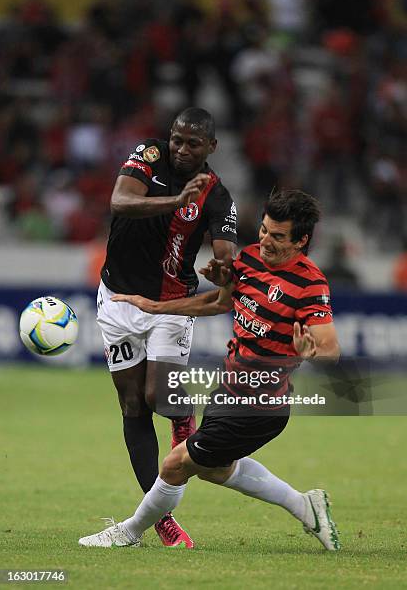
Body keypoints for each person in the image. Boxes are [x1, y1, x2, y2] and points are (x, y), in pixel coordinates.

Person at [79, 189, 341, 551]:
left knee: (174, 464)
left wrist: (310, 351)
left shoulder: (310, 284)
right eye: (264, 230)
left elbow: (330, 348)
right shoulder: (249, 260)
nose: (265, 241)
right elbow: (218, 302)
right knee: (215, 468)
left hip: (261, 405)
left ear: (301, 241)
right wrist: (157, 307)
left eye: (278, 237)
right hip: (229, 390)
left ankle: (128, 532)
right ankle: (304, 504)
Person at [92, 108, 237, 548]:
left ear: (211, 147)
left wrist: (222, 268)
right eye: (177, 139)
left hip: (172, 304)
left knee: (161, 397)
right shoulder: (148, 156)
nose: (181, 148)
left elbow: (226, 253)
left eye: (193, 143)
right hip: (117, 299)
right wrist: (175, 202)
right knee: (133, 405)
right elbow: (120, 201)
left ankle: (181, 416)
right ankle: (160, 519)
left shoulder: (218, 196)